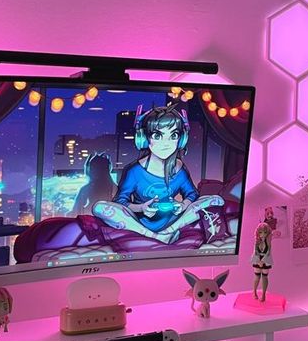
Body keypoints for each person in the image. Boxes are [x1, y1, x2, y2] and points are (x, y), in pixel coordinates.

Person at [92, 104, 223, 243]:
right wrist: (141, 208)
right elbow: (120, 201)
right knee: (99, 207)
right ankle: (153, 236)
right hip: (139, 222)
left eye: (173, 135)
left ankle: (167, 233)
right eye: (157, 135)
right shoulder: (134, 171)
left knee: (216, 200)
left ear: (181, 140)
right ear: (143, 138)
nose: (166, 143)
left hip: (174, 221)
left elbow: (192, 194)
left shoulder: (180, 168)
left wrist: (182, 205)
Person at [251, 222, 273, 302]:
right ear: (258, 232)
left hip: (266, 260)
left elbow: (268, 251)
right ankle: (254, 292)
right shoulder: (257, 241)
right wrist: (258, 260)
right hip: (257, 259)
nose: (263, 234)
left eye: (265, 232)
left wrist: (263, 260)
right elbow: (255, 251)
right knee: (257, 276)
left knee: (264, 277)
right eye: (260, 232)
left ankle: (263, 294)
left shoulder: (268, 241)